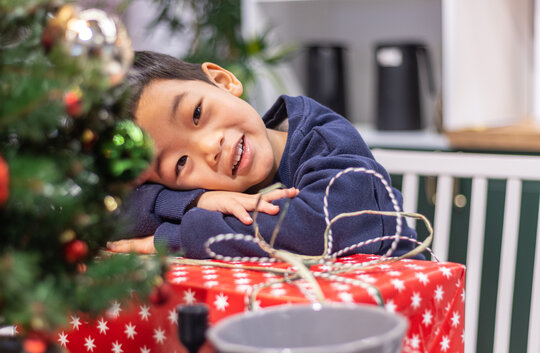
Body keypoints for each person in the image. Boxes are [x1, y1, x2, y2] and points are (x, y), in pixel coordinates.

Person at [106, 50, 420, 259]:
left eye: (198, 113)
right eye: (180, 163)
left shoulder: (324, 140)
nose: (208, 148)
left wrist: (179, 237)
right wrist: (194, 202)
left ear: (222, 81)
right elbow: (106, 214)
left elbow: (318, 229)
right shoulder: (211, 190)